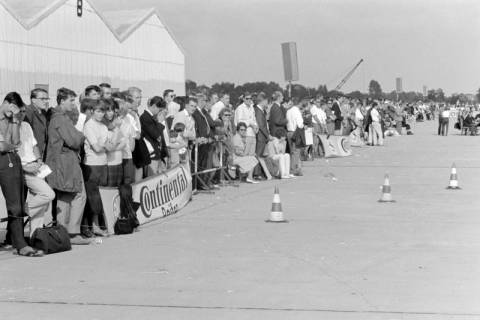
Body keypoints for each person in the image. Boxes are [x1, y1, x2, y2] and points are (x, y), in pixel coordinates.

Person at [0, 93, 44, 256]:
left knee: (16, 205)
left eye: (16, 111)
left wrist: (15, 121)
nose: (12, 113)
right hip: (5, 157)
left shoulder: (13, 119)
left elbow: (15, 142)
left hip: (9, 161)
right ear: (5, 102)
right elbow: (3, 146)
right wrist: (9, 145)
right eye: (12, 109)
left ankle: (20, 244)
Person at [46, 88, 90, 245]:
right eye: (71, 100)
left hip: (61, 162)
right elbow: (75, 140)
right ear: (62, 101)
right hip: (65, 162)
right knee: (79, 194)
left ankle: (62, 232)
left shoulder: (59, 118)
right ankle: (72, 232)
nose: (73, 103)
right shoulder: (61, 119)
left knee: (65, 197)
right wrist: (81, 136)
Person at [17, 104, 55, 237]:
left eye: (23, 111)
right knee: (48, 195)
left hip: (35, 166)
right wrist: (25, 167)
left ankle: (36, 235)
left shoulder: (26, 126)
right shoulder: (9, 127)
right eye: (19, 111)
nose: (22, 114)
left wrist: (39, 160)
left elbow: (34, 145)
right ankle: (23, 210)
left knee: (41, 204)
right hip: (22, 168)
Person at [82, 99, 114, 237]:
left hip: (103, 163)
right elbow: (96, 147)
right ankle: (93, 226)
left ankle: (99, 224)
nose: (101, 114)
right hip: (92, 164)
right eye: (98, 111)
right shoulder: (89, 126)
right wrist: (105, 145)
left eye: (103, 111)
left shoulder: (104, 126)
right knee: (93, 197)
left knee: (101, 196)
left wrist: (105, 146)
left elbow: (109, 146)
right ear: (92, 111)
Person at [139, 96, 168, 176]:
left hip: (157, 153)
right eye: (160, 109)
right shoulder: (145, 117)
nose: (160, 112)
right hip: (151, 154)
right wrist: (160, 122)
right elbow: (156, 134)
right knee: (151, 178)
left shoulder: (151, 117)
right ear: (154, 106)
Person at [103, 99, 127, 187]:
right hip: (109, 164)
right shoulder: (103, 126)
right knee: (109, 190)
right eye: (108, 110)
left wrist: (114, 146)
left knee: (118, 189)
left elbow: (124, 142)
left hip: (119, 161)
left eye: (112, 110)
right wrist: (114, 145)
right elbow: (108, 147)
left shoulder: (116, 123)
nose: (111, 113)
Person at [24, 88, 50, 161]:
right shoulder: (28, 112)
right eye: (42, 99)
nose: (46, 101)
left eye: (47, 99)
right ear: (33, 100)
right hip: (32, 154)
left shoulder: (44, 113)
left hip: (42, 153)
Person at [116, 100, 138, 184]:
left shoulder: (128, 119)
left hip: (123, 156)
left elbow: (132, 136)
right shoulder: (126, 124)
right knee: (123, 182)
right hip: (122, 156)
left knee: (124, 181)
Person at [253, 92, 272, 180]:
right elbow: (261, 125)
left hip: (262, 136)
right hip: (260, 136)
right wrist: (267, 135)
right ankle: (256, 174)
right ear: (262, 101)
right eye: (266, 101)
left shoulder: (261, 110)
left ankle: (258, 173)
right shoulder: (258, 111)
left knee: (260, 155)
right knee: (258, 155)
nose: (267, 103)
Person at [286, 97, 304, 176]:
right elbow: (300, 124)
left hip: (289, 132)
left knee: (292, 152)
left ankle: (294, 168)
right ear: (299, 103)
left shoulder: (288, 111)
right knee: (296, 152)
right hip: (295, 132)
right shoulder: (297, 111)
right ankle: (293, 170)